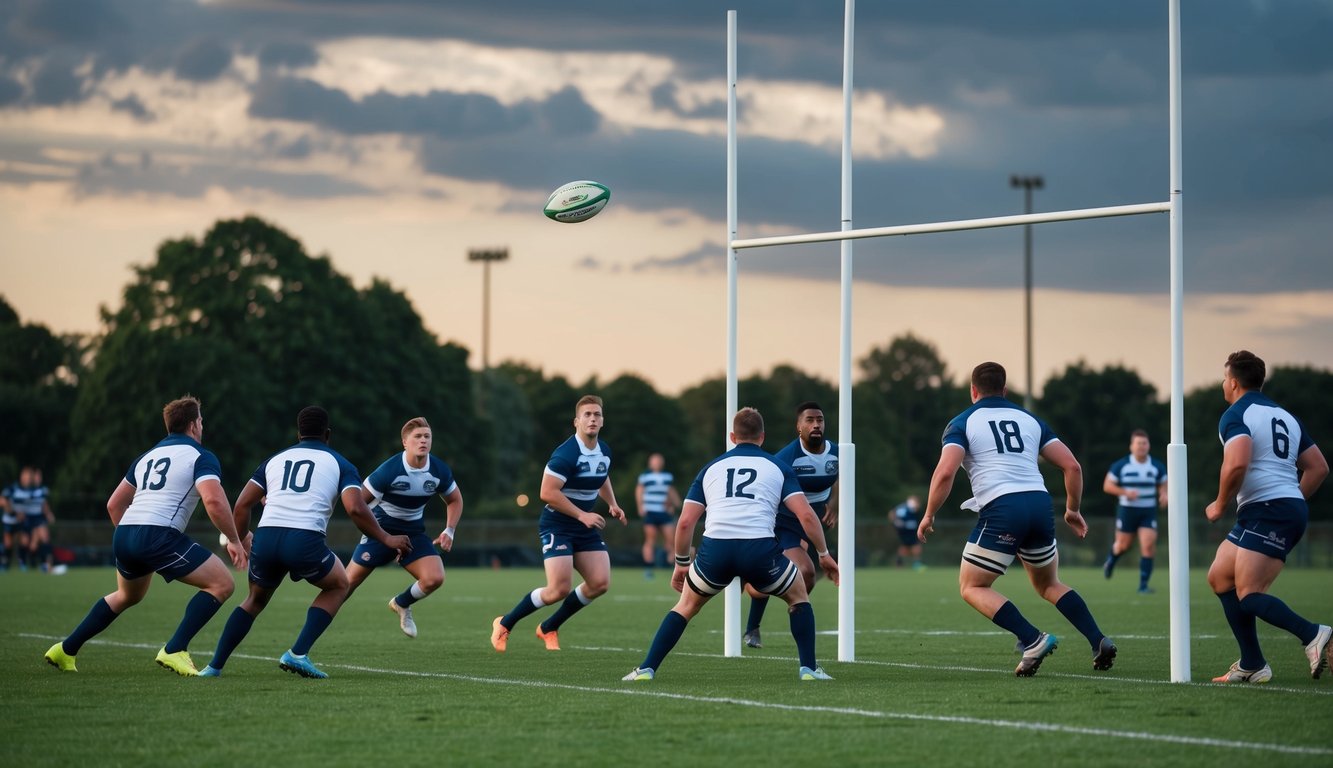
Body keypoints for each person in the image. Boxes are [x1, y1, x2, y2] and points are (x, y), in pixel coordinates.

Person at [917, 362, 1116, 677]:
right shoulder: (1030, 420)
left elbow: (945, 472)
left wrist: (929, 514)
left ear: (973, 390)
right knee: (1049, 583)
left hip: (1003, 507)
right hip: (1039, 504)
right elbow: (1073, 467)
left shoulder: (962, 422)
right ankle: (1098, 639)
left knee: (971, 586)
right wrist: (1073, 510)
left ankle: (1031, 638)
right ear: (1005, 390)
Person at [623, 407, 840, 681]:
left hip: (716, 551)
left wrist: (680, 564)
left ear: (732, 436)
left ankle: (647, 669)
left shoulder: (710, 468)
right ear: (762, 437)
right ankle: (809, 669)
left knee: (685, 606)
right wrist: (823, 554)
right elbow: (807, 515)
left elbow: (686, 522)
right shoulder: (778, 467)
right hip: (760, 551)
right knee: (798, 597)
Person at [198, 406, 411, 679]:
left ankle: (214, 666)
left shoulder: (274, 460)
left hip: (266, 538)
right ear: (328, 434)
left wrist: (237, 540)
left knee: (254, 600)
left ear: (298, 434)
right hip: (304, 540)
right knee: (340, 584)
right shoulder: (341, 464)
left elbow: (241, 505)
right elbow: (356, 508)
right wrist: (386, 537)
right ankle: (298, 654)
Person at [43, 396, 247, 675]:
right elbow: (213, 500)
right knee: (222, 583)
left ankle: (65, 650)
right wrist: (234, 539)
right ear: (192, 425)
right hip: (157, 535)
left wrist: (135, 542)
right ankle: (175, 648)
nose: (202, 425)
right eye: (201, 420)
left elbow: (114, 504)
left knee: (126, 596)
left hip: (125, 534)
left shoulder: (146, 457)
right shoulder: (201, 456)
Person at [1204, 350, 1330, 684]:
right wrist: (1294, 500)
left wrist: (1218, 504)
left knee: (1250, 593)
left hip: (1270, 510)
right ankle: (1253, 663)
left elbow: (1237, 462)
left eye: (1223, 378)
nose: (1222, 383)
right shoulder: (1285, 416)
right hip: (1268, 510)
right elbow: (1318, 467)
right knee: (1220, 576)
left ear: (1232, 382)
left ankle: (1314, 634)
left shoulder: (1235, 414)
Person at [491, 395, 626, 653]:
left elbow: (602, 475)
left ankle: (549, 627)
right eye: (587, 414)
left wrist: (612, 503)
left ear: (602, 420)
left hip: (583, 525)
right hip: (558, 524)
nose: (592, 419)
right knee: (558, 589)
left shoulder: (604, 450)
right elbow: (547, 492)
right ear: (576, 421)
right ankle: (505, 623)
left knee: (600, 583)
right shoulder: (566, 454)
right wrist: (582, 515)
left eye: (597, 414)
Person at [343, 416, 463, 638]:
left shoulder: (438, 470)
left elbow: (455, 500)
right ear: (405, 442)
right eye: (417, 436)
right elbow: (357, 503)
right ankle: (305, 640)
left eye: (427, 436)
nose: (423, 440)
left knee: (434, 578)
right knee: (344, 587)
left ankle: (401, 603)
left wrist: (449, 530)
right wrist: (378, 535)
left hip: (413, 533)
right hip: (381, 531)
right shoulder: (388, 471)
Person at [743, 401, 837, 649]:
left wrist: (835, 504)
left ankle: (755, 624)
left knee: (801, 578)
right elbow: (766, 486)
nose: (816, 424)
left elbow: (839, 477)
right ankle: (759, 595)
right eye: (809, 420)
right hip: (785, 521)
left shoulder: (837, 452)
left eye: (820, 419)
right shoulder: (786, 457)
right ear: (798, 426)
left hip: (812, 520)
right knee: (806, 571)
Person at [1101, 429, 1168, 593]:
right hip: (1127, 510)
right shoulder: (1121, 465)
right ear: (1131, 446)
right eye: (1138, 443)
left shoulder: (1157, 466)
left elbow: (1163, 484)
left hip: (1148, 511)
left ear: (1149, 445)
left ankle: (1143, 586)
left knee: (1148, 545)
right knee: (1123, 546)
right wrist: (1125, 493)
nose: (1141, 447)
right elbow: (1107, 486)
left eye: (1144, 443)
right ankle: (1111, 560)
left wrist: (1164, 494)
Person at [636, 452, 680, 578]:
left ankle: (673, 567)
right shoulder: (645, 477)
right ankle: (648, 569)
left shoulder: (667, 476)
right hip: (650, 512)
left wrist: (674, 504)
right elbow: (639, 491)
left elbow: (670, 492)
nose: (657, 463)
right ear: (650, 463)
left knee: (672, 541)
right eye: (655, 461)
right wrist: (640, 506)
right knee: (651, 540)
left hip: (664, 513)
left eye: (659, 461)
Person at [4, 466, 55, 571]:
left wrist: (48, 513)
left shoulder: (39, 490)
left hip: (34, 518)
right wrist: (13, 512)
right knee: (12, 544)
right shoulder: (14, 488)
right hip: (13, 520)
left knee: (42, 539)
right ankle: (10, 563)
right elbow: (4, 500)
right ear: (22, 477)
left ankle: (43, 563)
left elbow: (42, 502)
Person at [0, 474, 28, 571]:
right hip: (9, 521)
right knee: (8, 544)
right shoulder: (12, 488)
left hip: (20, 522)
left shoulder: (29, 490)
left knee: (24, 542)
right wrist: (15, 513)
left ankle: (22, 563)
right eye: (26, 476)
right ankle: (5, 564)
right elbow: (2, 501)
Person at [890, 495, 924, 569]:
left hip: (910, 531)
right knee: (915, 546)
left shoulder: (908, 508)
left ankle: (899, 562)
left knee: (906, 548)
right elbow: (892, 514)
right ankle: (916, 564)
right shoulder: (905, 508)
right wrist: (897, 522)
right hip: (906, 531)